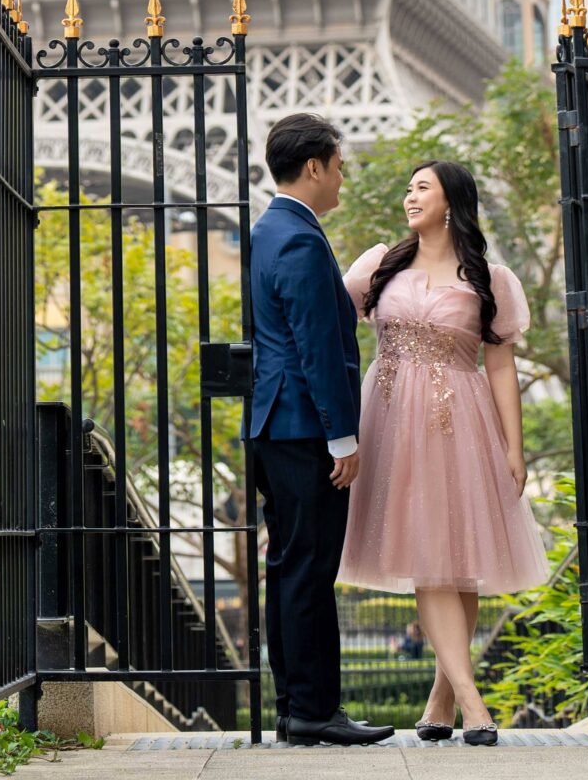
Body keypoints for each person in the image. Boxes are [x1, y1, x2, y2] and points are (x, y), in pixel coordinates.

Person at [338, 158, 550, 748]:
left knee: (457, 562)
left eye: (422, 188)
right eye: (408, 188)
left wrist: (515, 448)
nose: (410, 197)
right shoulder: (379, 265)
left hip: (460, 424)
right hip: (389, 423)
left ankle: (441, 697)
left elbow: (500, 367)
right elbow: (327, 324)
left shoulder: (491, 279)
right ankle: (473, 704)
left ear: (451, 202)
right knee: (430, 557)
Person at [249, 112, 393, 747]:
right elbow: (318, 346)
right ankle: (313, 709)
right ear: (314, 166)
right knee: (308, 569)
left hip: (273, 423)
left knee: (289, 567)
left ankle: (295, 706)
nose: (342, 179)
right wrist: (343, 437)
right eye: (338, 167)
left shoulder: (268, 229)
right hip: (305, 428)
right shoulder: (302, 239)